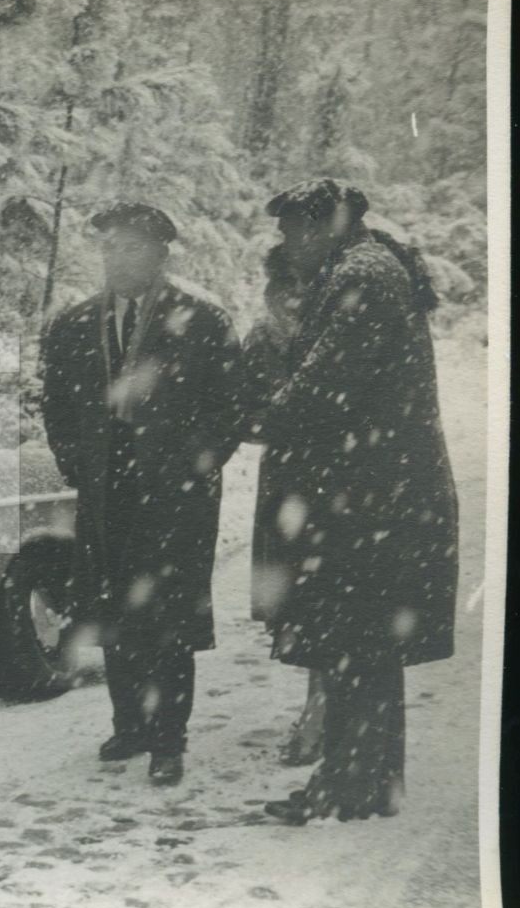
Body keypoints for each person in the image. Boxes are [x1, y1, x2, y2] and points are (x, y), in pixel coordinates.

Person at [253, 178, 459, 825]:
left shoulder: (362, 278)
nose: (286, 245)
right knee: (361, 649)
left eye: (291, 231)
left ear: (321, 226)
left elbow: (321, 388)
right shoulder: (366, 268)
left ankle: (351, 784)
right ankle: (360, 780)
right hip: (374, 498)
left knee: (356, 648)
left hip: (371, 505)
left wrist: (247, 417)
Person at [41, 202, 244, 786]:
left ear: (161, 254)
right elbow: (54, 402)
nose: (116, 260)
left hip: (175, 496)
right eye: (107, 249)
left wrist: (191, 467)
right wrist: (76, 461)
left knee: (167, 618)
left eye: (130, 248)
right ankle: (128, 724)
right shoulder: (76, 323)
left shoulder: (201, 320)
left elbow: (230, 408)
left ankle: (168, 739)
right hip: (106, 491)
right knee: (111, 609)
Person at [242, 245, 325, 766]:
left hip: (338, 483)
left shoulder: (338, 332)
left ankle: (322, 712)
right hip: (287, 483)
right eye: (285, 285)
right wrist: (281, 419)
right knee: (300, 599)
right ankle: (317, 708)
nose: (294, 297)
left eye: (303, 284)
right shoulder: (259, 340)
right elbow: (244, 416)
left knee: (331, 597)